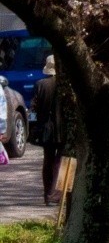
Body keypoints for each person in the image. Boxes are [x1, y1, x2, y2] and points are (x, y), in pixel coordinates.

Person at [31, 57, 64, 207]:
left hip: (46, 129)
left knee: (48, 161)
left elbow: (34, 108)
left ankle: (47, 194)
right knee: (60, 162)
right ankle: (56, 194)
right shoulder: (65, 86)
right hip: (63, 129)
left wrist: (35, 123)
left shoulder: (40, 84)